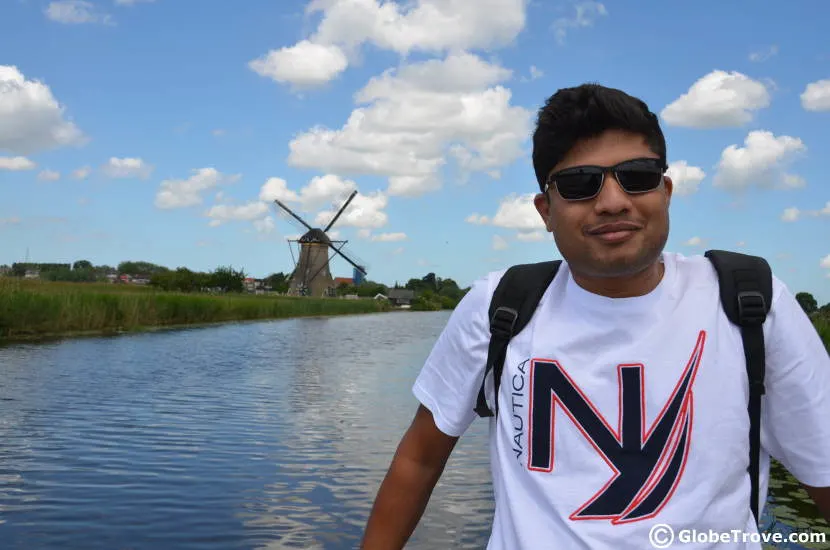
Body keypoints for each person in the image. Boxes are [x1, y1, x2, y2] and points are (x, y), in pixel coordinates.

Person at [360, 84, 830, 549]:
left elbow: (823, 467)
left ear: (665, 191)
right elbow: (419, 459)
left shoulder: (752, 305)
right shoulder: (500, 305)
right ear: (546, 210)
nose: (611, 201)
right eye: (580, 183)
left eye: (638, 176)